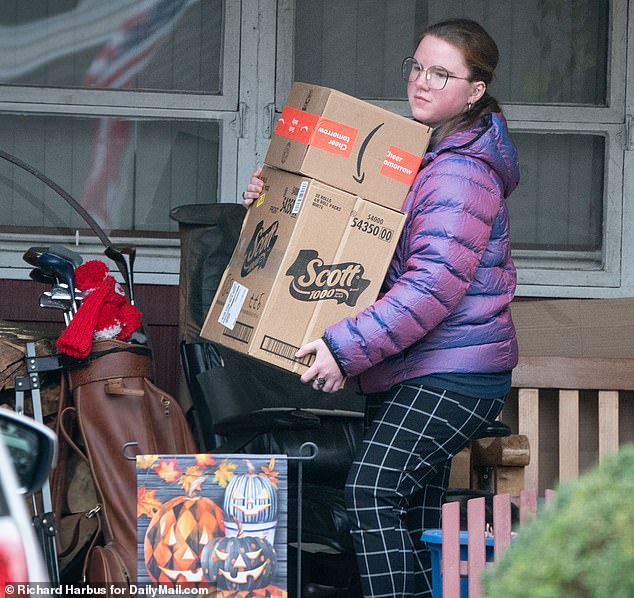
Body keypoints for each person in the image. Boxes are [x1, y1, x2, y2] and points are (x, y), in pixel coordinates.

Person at [243, 17, 519, 597]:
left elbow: (433, 285)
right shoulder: (419, 154)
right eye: (416, 67)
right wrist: (279, 199)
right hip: (412, 365)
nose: (421, 82)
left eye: (441, 73)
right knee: (415, 517)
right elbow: (354, 232)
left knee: (371, 491)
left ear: (474, 90)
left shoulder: (461, 172)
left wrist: (344, 349)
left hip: (454, 373)